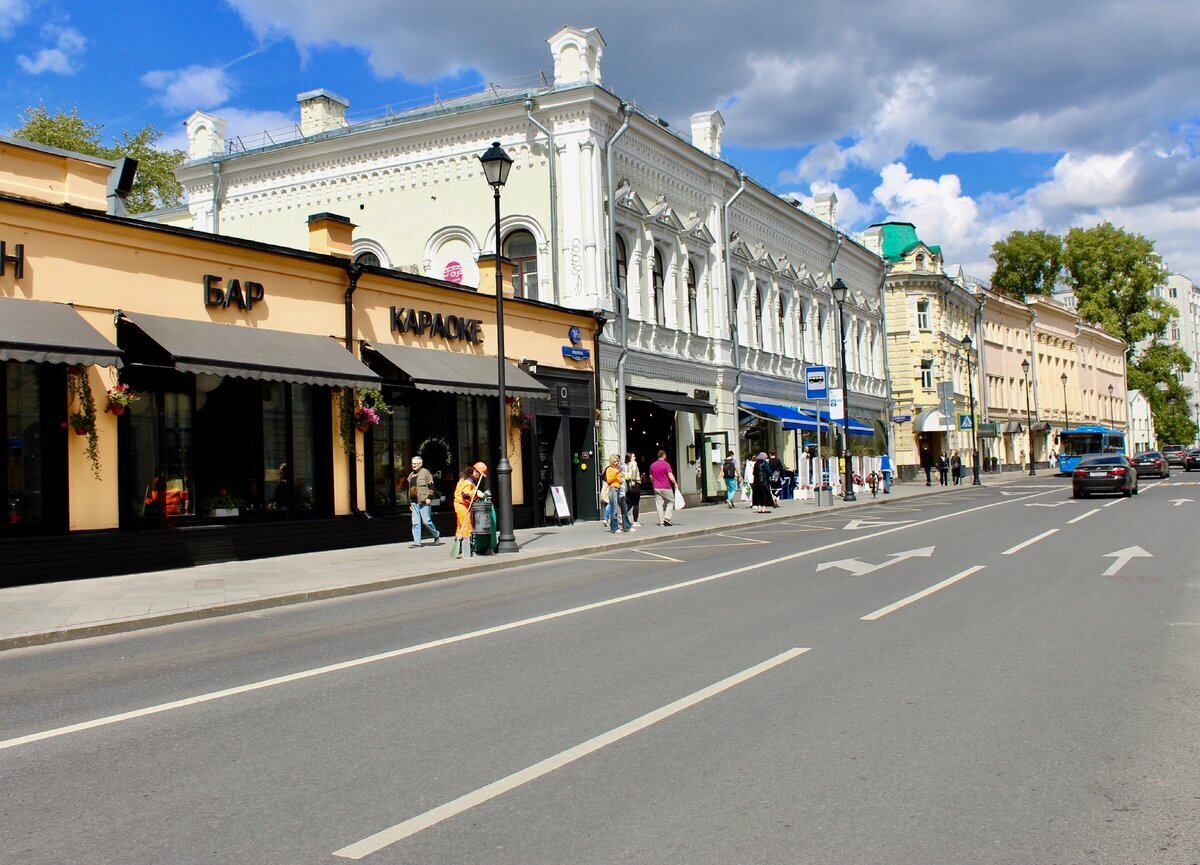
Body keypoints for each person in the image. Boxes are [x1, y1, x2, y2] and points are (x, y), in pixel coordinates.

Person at [452, 462, 486, 559]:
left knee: (460, 527)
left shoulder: (467, 479)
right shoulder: (468, 481)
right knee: (466, 526)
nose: (480, 478)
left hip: (460, 505)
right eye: (480, 475)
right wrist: (476, 493)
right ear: (476, 472)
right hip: (462, 505)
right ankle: (468, 550)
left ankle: (458, 548)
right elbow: (465, 494)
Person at [406, 455, 441, 548]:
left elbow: (432, 486)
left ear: (420, 464)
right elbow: (409, 490)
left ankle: (436, 534)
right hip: (414, 502)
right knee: (415, 522)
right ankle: (417, 542)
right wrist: (409, 503)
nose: (413, 465)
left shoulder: (426, 472)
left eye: (415, 464)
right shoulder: (411, 475)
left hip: (424, 501)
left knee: (426, 521)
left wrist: (430, 497)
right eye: (412, 463)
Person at [603, 453, 633, 533]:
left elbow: (621, 478)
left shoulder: (618, 468)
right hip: (613, 489)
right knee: (614, 510)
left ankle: (627, 526)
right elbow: (609, 480)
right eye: (614, 461)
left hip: (620, 489)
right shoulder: (609, 469)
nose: (616, 463)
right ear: (611, 462)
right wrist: (616, 473)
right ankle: (614, 528)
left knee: (624, 508)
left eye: (617, 461)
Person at [648, 449, 679, 526]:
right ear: (664, 455)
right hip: (666, 486)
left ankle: (661, 522)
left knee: (659, 504)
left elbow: (651, 476)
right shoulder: (666, 464)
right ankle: (667, 518)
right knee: (671, 501)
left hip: (656, 487)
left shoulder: (653, 465)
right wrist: (675, 483)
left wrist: (654, 483)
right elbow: (670, 475)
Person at [623, 452, 642, 526]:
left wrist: (629, 482)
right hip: (635, 484)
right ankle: (635, 521)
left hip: (629, 486)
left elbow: (626, 475)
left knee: (629, 503)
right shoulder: (634, 463)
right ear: (630, 457)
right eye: (633, 456)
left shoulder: (626, 465)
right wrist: (633, 480)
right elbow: (633, 472)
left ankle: (622, 514)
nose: (635, 457)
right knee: (636, 504)